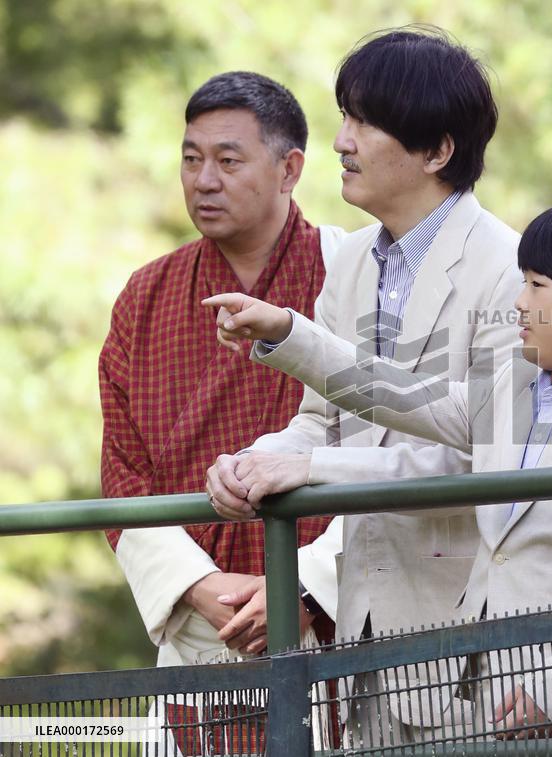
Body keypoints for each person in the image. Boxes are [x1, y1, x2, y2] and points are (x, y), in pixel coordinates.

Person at [204, 196, 552, 740]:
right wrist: (286, 330)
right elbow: (389, 390)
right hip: (480, 694)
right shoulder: (506, 390)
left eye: (537, 285)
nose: (519, 303)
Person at [203, 28, 522, 747]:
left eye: (365, 121)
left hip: (469, 640)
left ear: (438, 151)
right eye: (344, 115)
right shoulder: (350, 262)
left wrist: (308, 464)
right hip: (361, 629)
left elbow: (476, 448)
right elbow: (324, 420)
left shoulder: (510, 270)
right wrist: (253, 460)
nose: (342, 140)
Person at [98, 71, 342, 751]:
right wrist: (202, 586)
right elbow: (124, 475)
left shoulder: (352, 274)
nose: (204, 179)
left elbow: (400, 451)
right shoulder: (145, 299)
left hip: (326, 623)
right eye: (190, 157)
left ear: (290, 167)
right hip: (200, 625)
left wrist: (305, 584)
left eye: (228, 160)